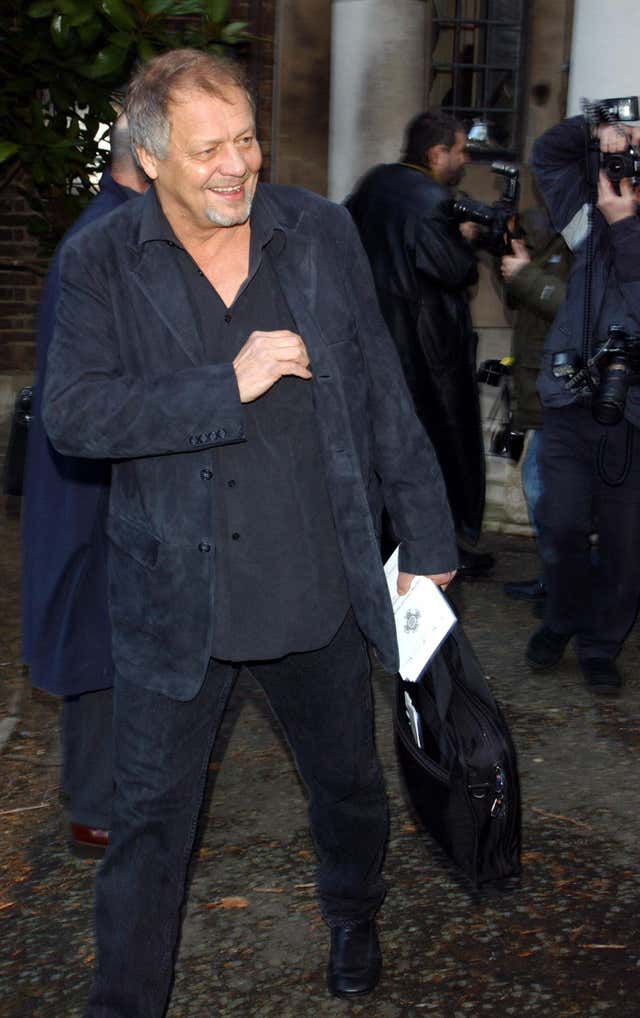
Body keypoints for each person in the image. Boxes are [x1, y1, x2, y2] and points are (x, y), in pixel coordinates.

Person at [42, 50, 458, 1014]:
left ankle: (354, 908)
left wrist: (430, 543)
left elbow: (381, 391)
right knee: (148, 826)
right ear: (149, 160)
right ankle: (126, 1000)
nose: (237, 164)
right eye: (207, 150)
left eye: (246, 139)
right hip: (172, 603)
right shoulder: (99, 260)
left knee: (348, 788)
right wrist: (224, 385)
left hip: (312, 579)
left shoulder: (316, 232)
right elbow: (73, 416)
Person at [21, 116, 148, 855]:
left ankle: (104, 795)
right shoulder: (103, 244)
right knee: (101, 637)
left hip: (100, 477)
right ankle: (98, 808)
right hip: (95, 481)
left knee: (109, 634)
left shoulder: (114, 230)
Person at [345, 110, 493, 576]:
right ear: (436, 154)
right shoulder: (432, 200)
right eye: (460, 150)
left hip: (371, 337)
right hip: (425, 352)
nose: (465, 159)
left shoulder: (374, 183)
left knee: (382, 447)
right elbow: (456, 271)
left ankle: (385, 542)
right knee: (436, 449)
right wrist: (465, 239)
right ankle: (437, 548)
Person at [525, 113, 640, 693]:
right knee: (562, 523)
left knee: (625, 548)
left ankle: (601, 644)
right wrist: (608, 129)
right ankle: (562, 617)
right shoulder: (587, 224)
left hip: (632, 421)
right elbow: (548, 153)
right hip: (572, 404)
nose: (616, 178)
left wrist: (625, 225)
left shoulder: (616, 227)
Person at [500, 208, 570, 607]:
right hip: (543, 384)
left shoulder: (582, 238)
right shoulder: (550, 234)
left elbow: (572, 306)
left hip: (562, 389)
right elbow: (518, 297)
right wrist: (508, 258)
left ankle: (561, 584)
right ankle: (555, 579)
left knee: (542, 485)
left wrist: (526, 274)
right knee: (540, 484)